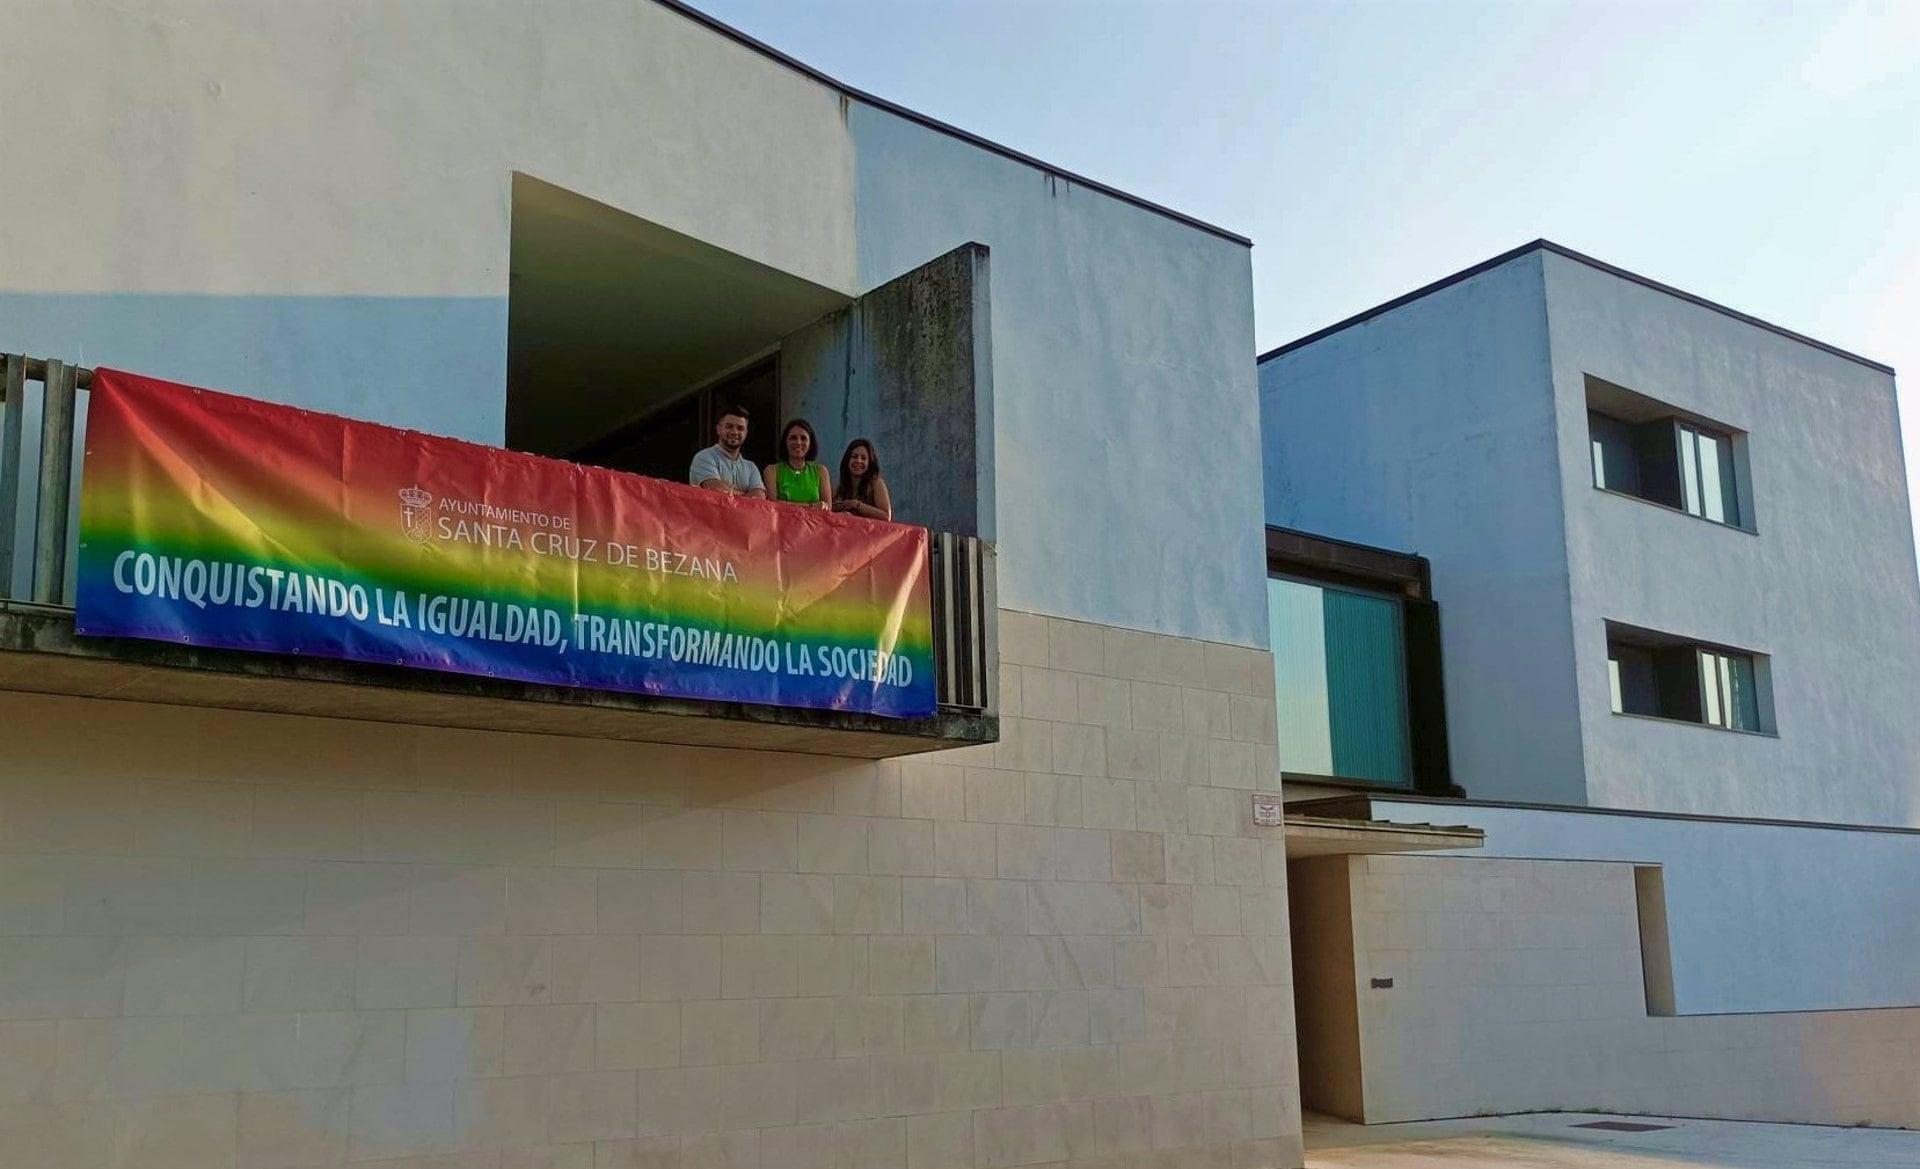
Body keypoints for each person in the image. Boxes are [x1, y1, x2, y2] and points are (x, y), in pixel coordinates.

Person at [689, 405, 765, 497]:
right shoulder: (704, 457)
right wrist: (746, 495)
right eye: (729, 427)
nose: (734, 432)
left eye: (740, 428)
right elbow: (717, 491)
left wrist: (734, 494)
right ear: (718, 429)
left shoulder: (751, 467)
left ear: (746, 432)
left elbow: (760, 497)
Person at [763, 418, 832, 510]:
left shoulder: (821, 471)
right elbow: (772, 505)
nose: (798, 443)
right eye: (793, 438)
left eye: (803, 438)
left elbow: (827, 508)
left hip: (814, 524)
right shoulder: (772, 470)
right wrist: (810, 506)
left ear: (810, 443)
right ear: (785, 442)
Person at [832, 438, 893, 521]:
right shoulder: (839, 488)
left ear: (870, 463)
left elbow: (886, 517)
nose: (858, 461)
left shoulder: (876, 483)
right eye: (854, 457)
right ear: (847, 460)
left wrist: (855, 505)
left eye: (863, 458)